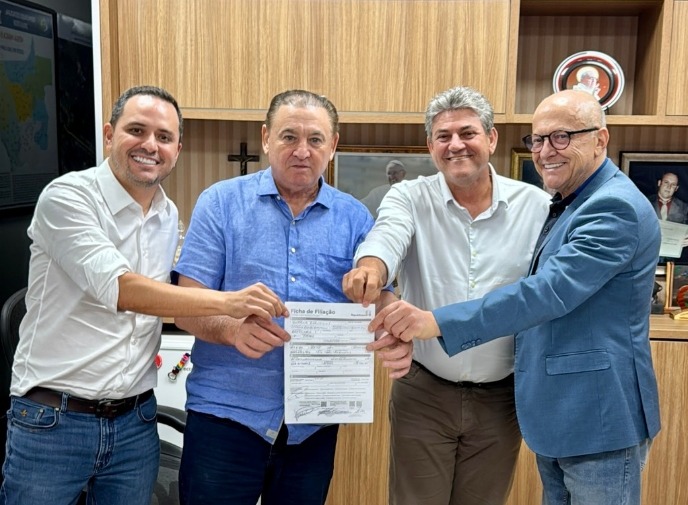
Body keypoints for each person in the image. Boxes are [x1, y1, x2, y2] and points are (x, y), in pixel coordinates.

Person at [369, 90, 662, 505]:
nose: (545, 151)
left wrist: (435, 322)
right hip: (557, 410)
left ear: (600, 139)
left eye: (562, 137)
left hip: (597, 411)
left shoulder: (611, 206)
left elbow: (547, 292)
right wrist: (377, 280)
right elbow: (387, 236)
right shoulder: (571, 203)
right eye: (538, 139)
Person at [0, 86, 287, 505]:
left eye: (164, 137)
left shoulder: (167, 215)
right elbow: (123, 289)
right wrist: (230, 302)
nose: (151, 145)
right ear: (109, 135)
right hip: (54, 421)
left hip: (135, 425)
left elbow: (171, 290)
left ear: (177, 149)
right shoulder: (67, 198)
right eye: (137, 130)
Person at [172, 89, 412, 505]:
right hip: (226, 417)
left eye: (315, 139)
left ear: (332, 146)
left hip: (313, 424)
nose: (302, 150)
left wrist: (395, 326)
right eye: (288, 136)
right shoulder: (220, 204)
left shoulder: (354, 217)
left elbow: (378, 298)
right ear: (266, 138)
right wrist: (231, 330)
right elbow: (184, 305)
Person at [343, 86, 551, 505]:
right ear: (431, 146)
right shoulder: (409, 197)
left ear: (491, 139)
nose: (456, 145)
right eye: (443, 136)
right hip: (424, 392)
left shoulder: (537, 205)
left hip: (503, 396)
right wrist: (371, 270)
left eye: (467, 133)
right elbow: (387, 237)